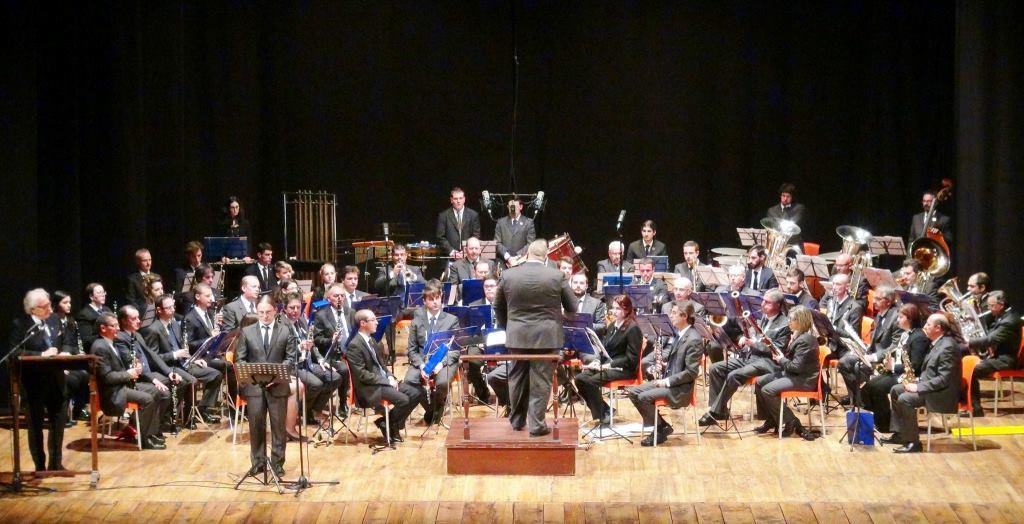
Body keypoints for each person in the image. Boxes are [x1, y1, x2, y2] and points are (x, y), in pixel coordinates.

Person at [494, 239, 578, 435]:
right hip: (546, 337)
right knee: (540, 381)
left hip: (517, 336)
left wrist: (509, 327)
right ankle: (537, 425)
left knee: (517, 378)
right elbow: (573, 306)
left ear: (527, 254)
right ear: (546, 256)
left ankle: (517, 421)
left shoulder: (508, 275)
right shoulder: (556, 276)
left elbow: (497, 306)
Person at [699, 289, 791, 426]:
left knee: (734, 375)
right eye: (763, 301)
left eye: (767, 302)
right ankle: (720, 410)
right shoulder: (763, 317)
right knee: (715, 368)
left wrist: (754, 343)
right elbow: (754, 335)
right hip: (751, 358)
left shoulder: (784, 324)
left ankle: (714, 412)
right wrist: (744, 337)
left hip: (767, 363)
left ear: (778, 305)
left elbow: (777, 350)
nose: (762, 304)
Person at [627, 300, 704, 446]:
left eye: (674, 313)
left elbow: (691, 372)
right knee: (633, 392)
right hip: (670, 382)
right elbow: (677, 361)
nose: (671, 316)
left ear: (684, 316)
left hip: (680, 389)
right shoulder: (680, 334)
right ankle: (661, 426)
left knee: (643, 397)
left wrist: (666, 381)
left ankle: (659, 429)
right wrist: (663, 366)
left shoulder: (694, 339)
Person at [883, 313, 962, 453]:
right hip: (931, 388)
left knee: (905, 399)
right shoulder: (937, 343)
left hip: (941, 394)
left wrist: (918, 387)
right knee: (896, 389)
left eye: (928, 324)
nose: (924, 327)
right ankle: (900, 434)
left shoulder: (948, 347)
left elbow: (944, 379)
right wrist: (917, 381)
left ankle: (913, 442)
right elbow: (931, 373)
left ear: (938, 328)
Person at [235, 296, 296, 477]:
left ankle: (277, 463)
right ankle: (258, 462)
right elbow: (240, 359)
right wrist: (252, 375)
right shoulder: (247, 332)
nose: (264, 316)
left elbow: (290, 358)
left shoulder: (286, 331)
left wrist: (276, 376)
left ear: (275, 311)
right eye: (261, 312)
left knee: (278, 427)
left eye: (268, 312)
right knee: (256, 426)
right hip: (255, 387)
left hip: (277, 386)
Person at [142, 293, 223, 427]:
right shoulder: (153, 329)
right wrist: (174, 355)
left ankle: (202, 410)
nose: (173, 310)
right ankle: (183, 417)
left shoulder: (174, 323)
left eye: (173, 307)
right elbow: (153, 358)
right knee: (191, 381)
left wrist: (193, 359)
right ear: (159, 310)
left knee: (215, 375)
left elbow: (182, 347)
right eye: (168, 308)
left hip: (184, 362)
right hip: (169, 366)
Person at [9, 289, 68, 469]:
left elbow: (65, 341)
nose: (50, 309)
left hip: (56, 379)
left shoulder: (54, 319)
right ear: (33, 309)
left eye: (50, 305)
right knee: (35, 425)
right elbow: (15, 352)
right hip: (33, 382)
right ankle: (40, 466)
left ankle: (56, 463)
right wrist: (42, 354)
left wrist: (66, 352)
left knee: (58, 422)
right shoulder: (21, 325)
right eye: (45, 307)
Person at [93, 311, 168, 450]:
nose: (118, 328)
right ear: (103, 328)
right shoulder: (100, 347)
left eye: (117, 325)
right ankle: (144, 439)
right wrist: (128, 374)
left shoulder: (109, 343)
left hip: (121, 386)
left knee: (157, 391)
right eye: (114, 326)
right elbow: (106, 377)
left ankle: (151, 433)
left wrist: (134, 368)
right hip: (113, 393)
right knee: (147, 399)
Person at [347, 309, 423, 444]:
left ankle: (387, 423)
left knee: (417, 392)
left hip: (382, 382)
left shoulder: (372, 341)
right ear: (363, 323)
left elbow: (382, 366)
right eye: (373, 320)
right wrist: (386, 381)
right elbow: (362, 375)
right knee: (404, 400)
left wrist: (390, 377)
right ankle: (392, 425)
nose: (377, 323)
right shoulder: (354, 345)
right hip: (370, 388)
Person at [754, 305, 820, 440]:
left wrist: (781, 359)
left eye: (792, 319)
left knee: (767, 390)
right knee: (759, 382)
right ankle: (772, 419)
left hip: (804, 379)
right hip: (794, 375)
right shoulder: (797, 335)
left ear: (800, 321)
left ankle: (791, 421)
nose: (788, 322)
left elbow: (796, 367)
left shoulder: (806, 340)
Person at [860, 304, 929, 432]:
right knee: (867, 387)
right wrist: (887, 362)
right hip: (898, 372)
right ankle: (877, 420)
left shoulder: (919, 338)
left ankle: (885, 425)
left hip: (910, 377)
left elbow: (915, 366)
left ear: (910, 319)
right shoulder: (906, 334)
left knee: (877, 388)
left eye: (900, 317)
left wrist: (893, 367)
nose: (897, 320)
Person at [574, 294, 639, 426]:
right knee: (580, 379)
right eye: (613, 308)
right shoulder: (612, 326)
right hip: (609, 365)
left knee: (591, 382)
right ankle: (605, 411)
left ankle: (603, 414)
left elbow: (632, 358)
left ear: (626, 310)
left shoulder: (633, 328)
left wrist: (609, 365)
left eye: (618, 309)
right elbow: (605, 349)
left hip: (625, 369)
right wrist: (598, 361)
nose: (614, 311)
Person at [403, 280, 462, 424]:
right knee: (409, 381)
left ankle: (438, 405)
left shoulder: (452, 320)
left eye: (437, 298)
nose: (435, 302)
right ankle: (433, 409)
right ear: (424, 301)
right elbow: (412, 350)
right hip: (423, 362)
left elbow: (455, 350)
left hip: (445, 361)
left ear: (441, 297)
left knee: (442, 383)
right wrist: (422, 365)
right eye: (431, 299)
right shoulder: (417, 321)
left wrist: (441, 364)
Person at [836, 286, 901, 406]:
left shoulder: (896, 317)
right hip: (872, 353)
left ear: (888, 301)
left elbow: (895, 346)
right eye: (874, 298)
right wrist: (863, 348)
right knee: (843, 363)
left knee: (857, 367)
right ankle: (857, 398)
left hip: (885, 360)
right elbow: (875, 340)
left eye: (878, 299)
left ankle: (864, 398)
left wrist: (874, 357)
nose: (874, 301)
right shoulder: (880, 313)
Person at [283, 294, 342, 425]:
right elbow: (282, 350)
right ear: (285, 308)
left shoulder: (302, 320)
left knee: (335, 377)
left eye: (298, 307)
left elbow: (312, 344)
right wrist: (300, 347)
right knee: (316, 384)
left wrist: (321, 360)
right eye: (292, 308)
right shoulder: (281, 325)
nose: (295, 311)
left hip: (308, 362)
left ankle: (313, 409)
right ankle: (301, 410)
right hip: (293, 365)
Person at [966, 291, 1023, 416]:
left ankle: (976, 409)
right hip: (998, 356)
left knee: (972, 370)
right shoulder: (1003, 316)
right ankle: (967, 404)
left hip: (1006, 360)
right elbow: (991, 333)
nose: (989, 309)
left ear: (1001, 305)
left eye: (992, 306)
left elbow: (991, 339)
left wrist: (968, 343)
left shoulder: (1010, 321)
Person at [312, 283, 355, 415]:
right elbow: (317, 339)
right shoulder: (321, 315)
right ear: (329, 298)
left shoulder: (350, 312)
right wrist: (332, 340)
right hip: (332, 354)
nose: (340, 298)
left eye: (342, 296)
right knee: (343, 369)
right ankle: (343, 403)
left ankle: (361, 399)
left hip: (350, 350)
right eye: (336, 296)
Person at [53, 290, 90, 424]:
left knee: (85, 374)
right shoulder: (52, 321)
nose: (69, 305)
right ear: (57, 304)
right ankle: (63, 413)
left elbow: (72, 344)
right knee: (72, 379)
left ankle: (78, 410)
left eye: (69, 302)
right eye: (65, 302)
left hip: (70, 359)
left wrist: (77, 353)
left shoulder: (71, 321)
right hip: (56, 361)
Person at [436, 186, 481, 259]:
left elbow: (476, 236)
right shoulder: (443, 216)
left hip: (468, 256)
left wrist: (466, 251)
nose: (458, 201)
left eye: (460, 198)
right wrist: (452, 252)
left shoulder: (473, 215)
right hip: (449, 257)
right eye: (455, 199)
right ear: (451, 200)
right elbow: (440, 237)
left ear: (464, 199)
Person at [494, 196, 536, 266]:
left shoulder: (528, 223)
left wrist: (517, 256)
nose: (512, 209)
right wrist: (508, 257)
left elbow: (531, 243)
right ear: (508, 207)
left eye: (515, 206)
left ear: (521, 207)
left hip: (522, 262)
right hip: (504, 262)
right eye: (511, 206)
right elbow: (497, 242)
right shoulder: (501, 222)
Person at [74, 282, 112, 348]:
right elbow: (87, 339)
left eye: (103, 292)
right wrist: (106, 335)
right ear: (91, 296)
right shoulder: (84, 315)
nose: (103, 295)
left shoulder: (107, 310)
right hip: (97, 347)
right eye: (99, 293)